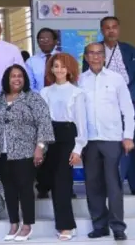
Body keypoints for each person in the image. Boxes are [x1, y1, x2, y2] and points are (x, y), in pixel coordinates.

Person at [84, 16, 135, 199]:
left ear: (119, 29)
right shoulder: (94, 51)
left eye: (114, 27)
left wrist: (129, 97)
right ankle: (110, 185)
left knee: (132, 142)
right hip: (104, 105)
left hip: (128, 101)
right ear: (101, 30)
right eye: (107, 28)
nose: (111, 31)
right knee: (107, 147)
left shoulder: (130, 50)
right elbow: (86, 75)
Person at [80, 42, 135, 241]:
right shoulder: (80, 80)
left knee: (113, 184)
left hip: (112, 139)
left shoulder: (116, 79)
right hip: (89, 140)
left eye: (99, 53)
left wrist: (128, 136)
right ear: (86, 57)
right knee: (92, 184)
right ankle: (99, 225)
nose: (95, 57)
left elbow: (127, 109)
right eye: (91, 53)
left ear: (104, 57)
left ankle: (118, 227)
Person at [0, 65, 54, 242]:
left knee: (25, 189)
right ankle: (14, 223)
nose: (16, 79)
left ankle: (27, 225)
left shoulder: (33, 98)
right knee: (9, 189)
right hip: (3, 152)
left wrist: (40, 148)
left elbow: (44, 123)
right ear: (7, 79)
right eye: (13, 76)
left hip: (26, 152)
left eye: (20, 76)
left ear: (25, 79)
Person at [38, 52, 88, 241]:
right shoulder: (45, 92)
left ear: (70, 69)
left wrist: (78, 149)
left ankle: (66, 225)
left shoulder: (77, 93)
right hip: (49, 136)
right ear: (51, 69)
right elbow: (42, 121)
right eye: (56, 66)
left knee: (62, 183)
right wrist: (40, 145)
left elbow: (81, 124)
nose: (59, 70)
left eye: (63, 66)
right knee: (48, 179)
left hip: (67, 136)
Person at [26, 28, 58, 93]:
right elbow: (30, 86)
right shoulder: (31, 62)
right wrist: (41, 96)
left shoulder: (64, 59)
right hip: (38, 97)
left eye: (48, 39)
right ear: (38, 42)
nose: (45, 41)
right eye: (41, 39)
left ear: (55, 41)